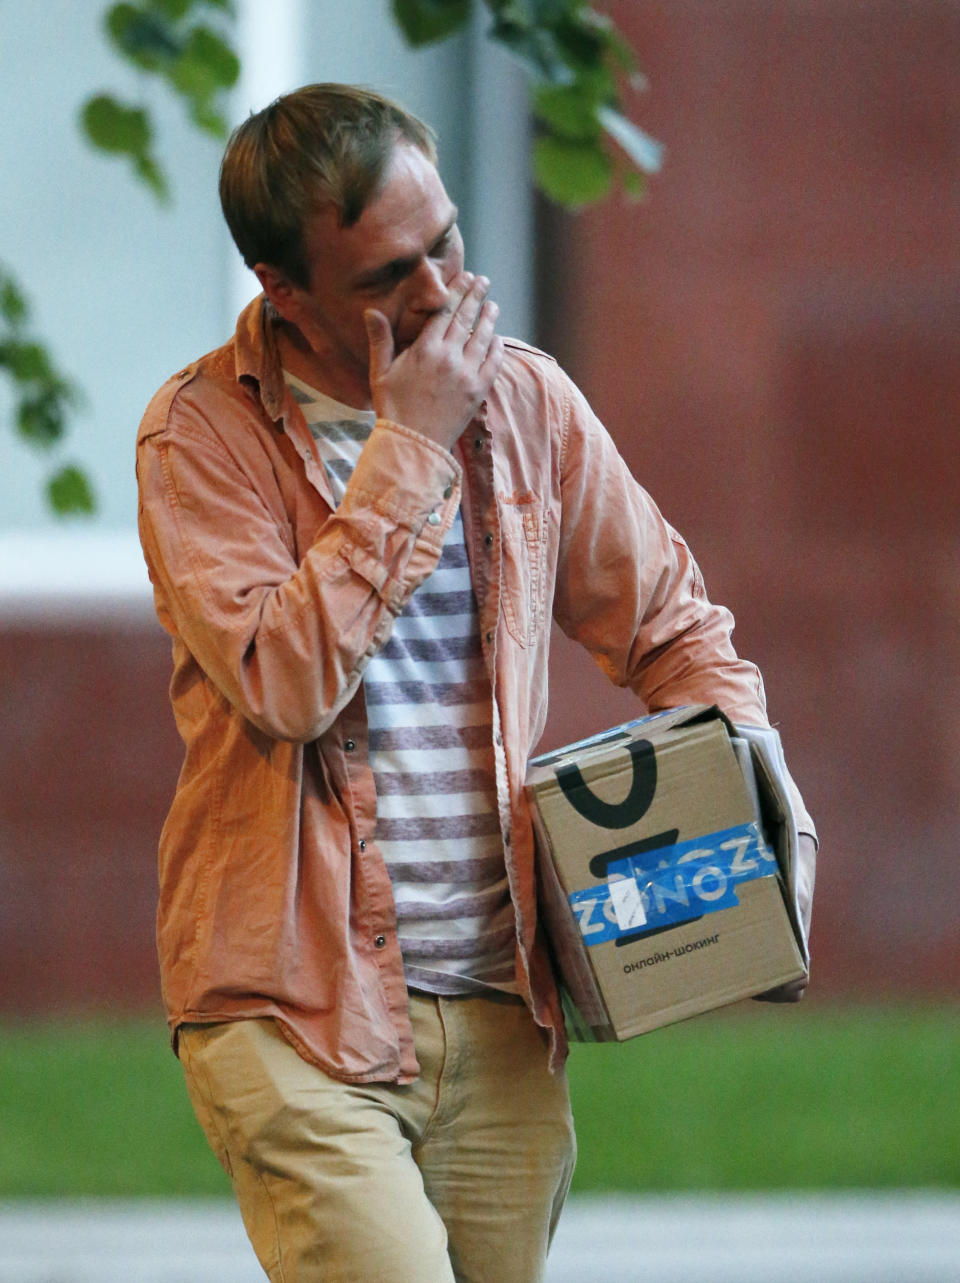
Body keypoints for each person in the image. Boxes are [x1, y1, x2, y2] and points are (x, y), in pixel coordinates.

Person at [136, 83, 817, 1283]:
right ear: (282, 291)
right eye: (388, 274)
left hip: (506, 1004)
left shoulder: (528, 399)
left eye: (445, 240)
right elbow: (286, 682)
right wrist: (408, 447)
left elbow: (670, 625)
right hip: (295, 1006)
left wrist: (749, 800)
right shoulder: (200, 436)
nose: (441, 292)